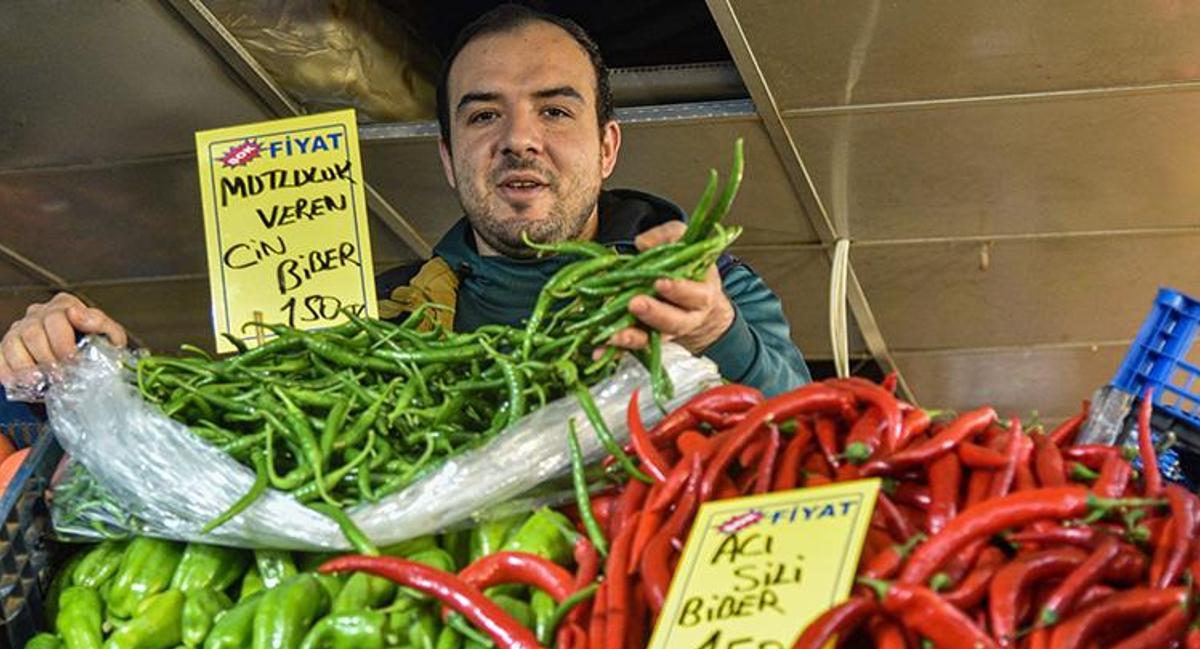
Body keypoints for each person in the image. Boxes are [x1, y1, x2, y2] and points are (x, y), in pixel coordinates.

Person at [0, 4, 810, 399]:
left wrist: (716, 336)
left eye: (556, 111)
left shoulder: (705, 291)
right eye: (483, 116)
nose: (519, 139)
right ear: (449, 158)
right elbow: (245, 425)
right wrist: (106, 370)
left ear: (607, 146)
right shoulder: (371, 312)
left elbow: (815, 440)